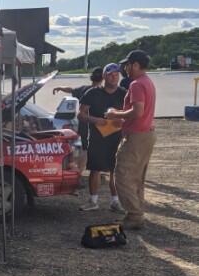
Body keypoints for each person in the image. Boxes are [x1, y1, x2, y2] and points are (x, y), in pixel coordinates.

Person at [105, 50, 157, 229]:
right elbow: (140, 113)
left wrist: (115, 113)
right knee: (136, 177)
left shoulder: (136, 84)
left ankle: (134, 215)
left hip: (137, 136)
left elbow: (137, 112)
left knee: (123, 175)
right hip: (146, 134)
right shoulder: (147, 82)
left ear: (135, 65)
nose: (125, 69)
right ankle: (136, 213)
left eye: (127, 65)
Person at [78, 63, 127, 212]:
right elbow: (81, 114)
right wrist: (95, 120)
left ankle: (115, 202)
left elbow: (130, 114)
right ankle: (93, 201)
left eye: (116, 75)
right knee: (95, 169)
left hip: (117, 136)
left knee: (115, 170)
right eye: (111, 74)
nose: (114, 77)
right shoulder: (92, 93)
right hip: (97, 136)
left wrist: (123, 121)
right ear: (104, 76)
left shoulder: (124, 93)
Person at [53, 67, 103, 169]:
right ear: (103, 79)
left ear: (91, 78)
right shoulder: (104, 92)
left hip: (84, 124)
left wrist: (60, 87)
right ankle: (96, 169)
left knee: (84, 148)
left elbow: (71, 89)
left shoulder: (83, 89)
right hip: (99, 124)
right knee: (97, 148)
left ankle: (82, 171)